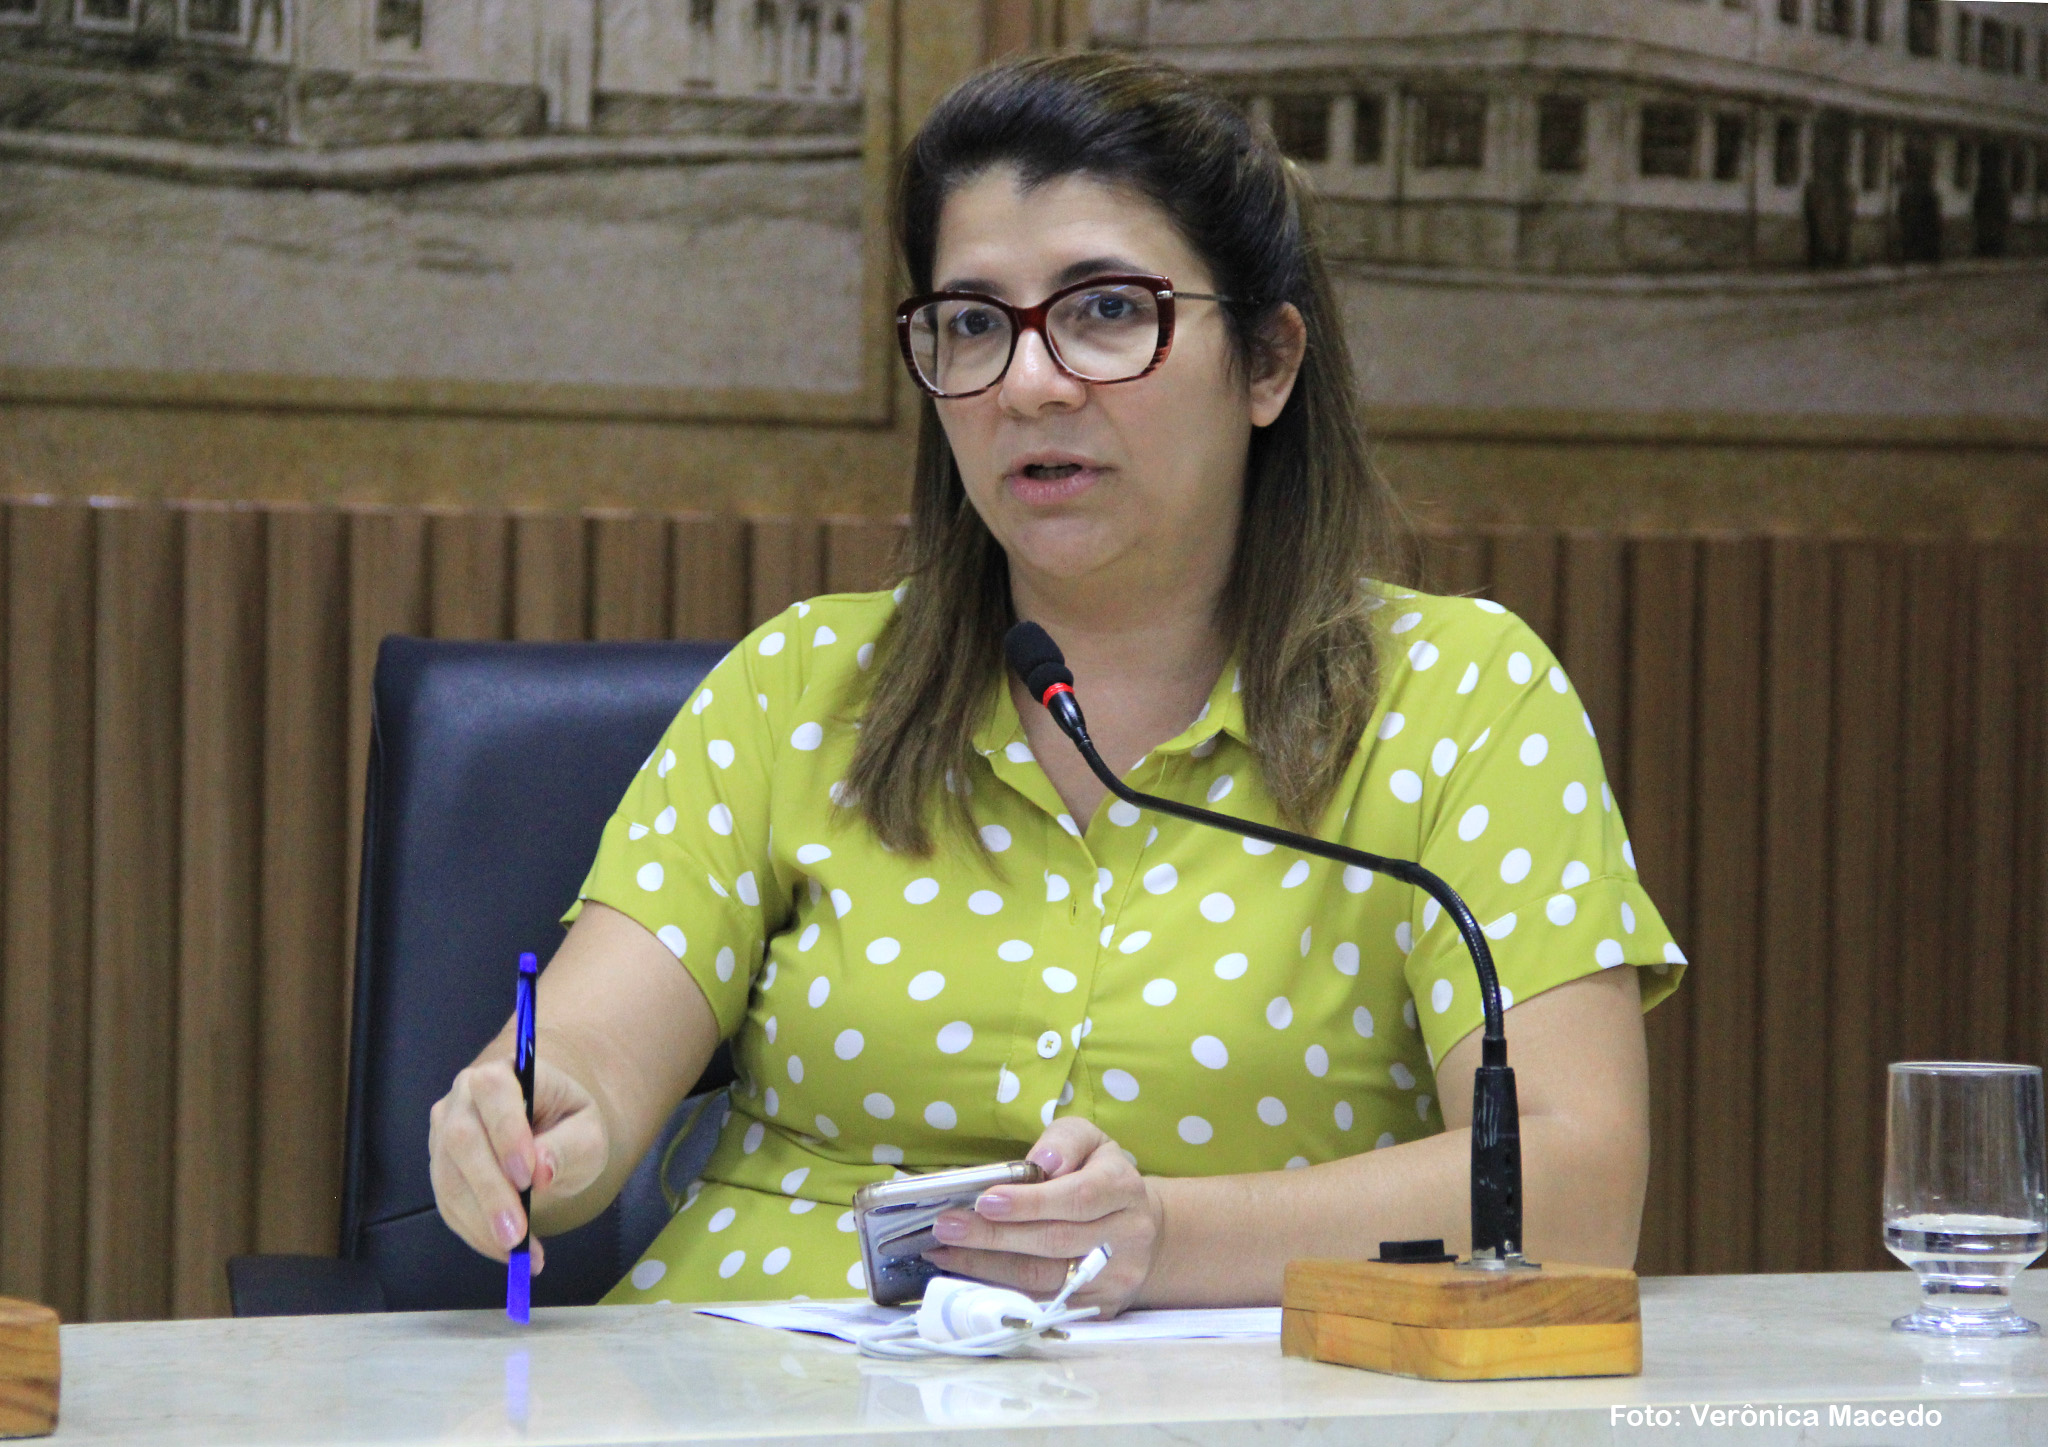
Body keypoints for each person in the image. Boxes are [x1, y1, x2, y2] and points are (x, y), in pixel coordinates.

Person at [428, 52, 1685, 1314]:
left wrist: (1158, 1240)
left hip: (1230, 1390)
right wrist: (532, 1120)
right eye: (974, 323)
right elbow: (592, 1051)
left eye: (1105, 310)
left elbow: (1571, 1190)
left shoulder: (1458, 697)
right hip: (753, 1376)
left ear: (1266, 362)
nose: (1029, 382)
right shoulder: (800, 687)